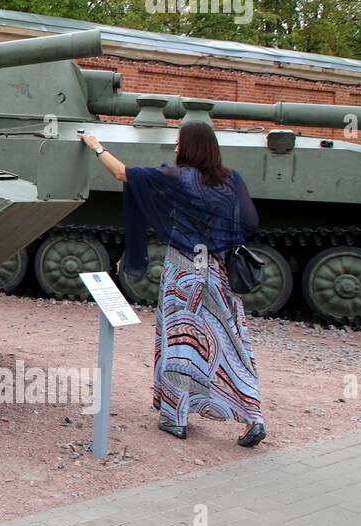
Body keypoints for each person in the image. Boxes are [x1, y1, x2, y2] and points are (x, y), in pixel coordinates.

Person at [78, 122, 266, 448]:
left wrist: (95, 145)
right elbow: (249, 221)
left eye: (179, 141)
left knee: (180, 343)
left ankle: (175, 417)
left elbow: (122, 173)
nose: (176, 147)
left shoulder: (178, 178)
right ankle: (253, 416)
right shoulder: (231, 179)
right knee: (231, 344)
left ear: (188, 147)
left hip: (184, 273)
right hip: (218, 274)